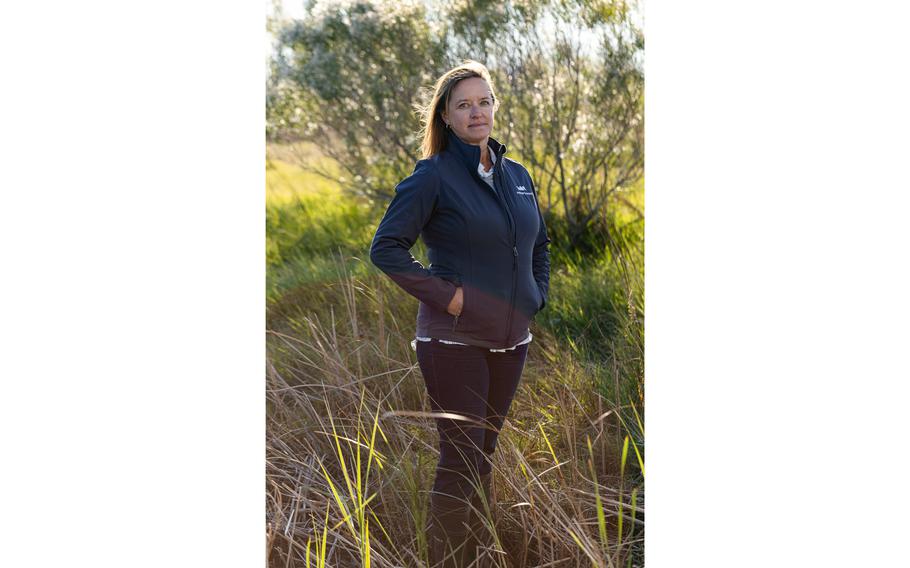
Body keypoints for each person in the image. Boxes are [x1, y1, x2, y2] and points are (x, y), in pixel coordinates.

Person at [369, 60, 550, 568]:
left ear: (495, 107)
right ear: (445, 117)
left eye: (484, 101)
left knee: (483, 459)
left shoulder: (517, 176)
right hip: (454, 342)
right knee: (460, 462)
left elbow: (540, 245)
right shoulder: (433, 176)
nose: (477, 112)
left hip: (512, 341)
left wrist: (536, 296)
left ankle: (473, 555)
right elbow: (386, 249)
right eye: (464, 105)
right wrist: (450, 298)